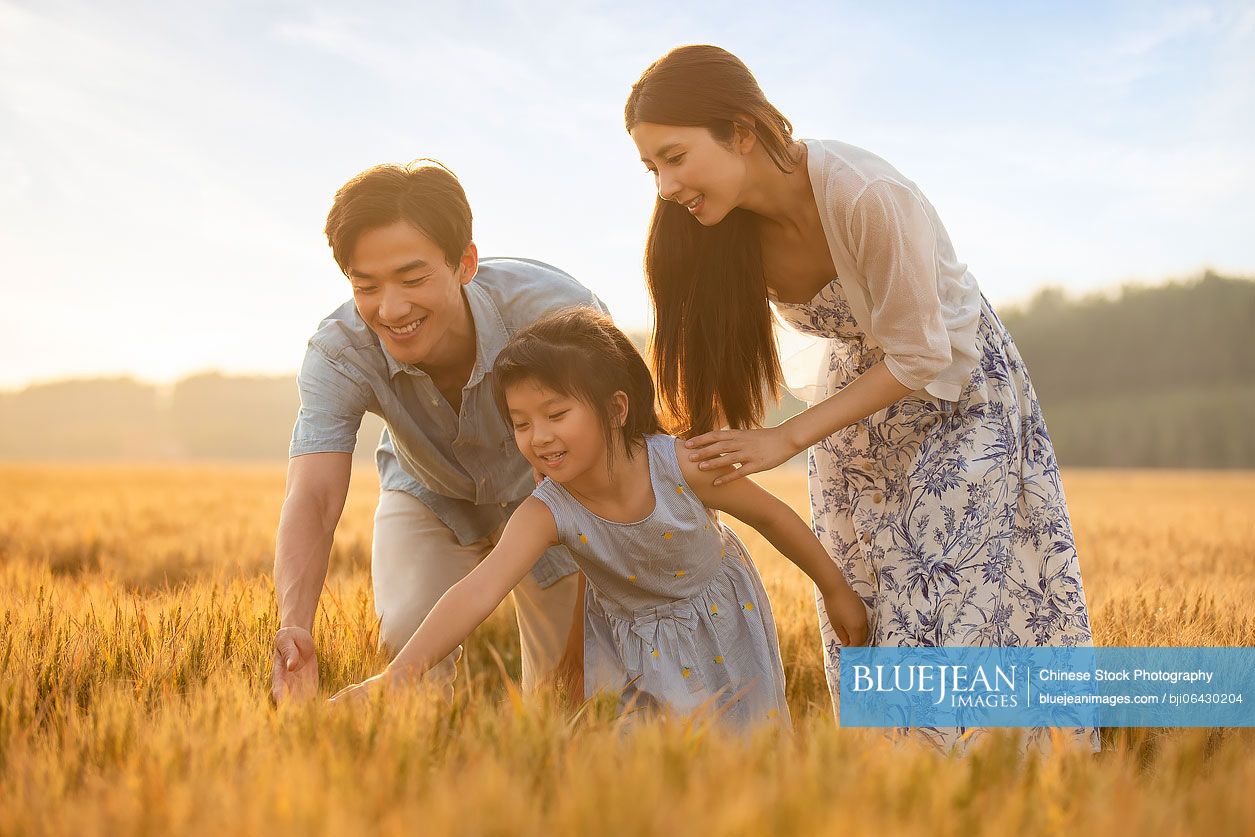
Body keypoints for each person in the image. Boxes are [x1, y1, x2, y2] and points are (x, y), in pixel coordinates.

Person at [625, 44, 1099, 755]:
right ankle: (893, 792)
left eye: (673, 156)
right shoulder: (718, 230)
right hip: (857, 414)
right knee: (867, 610)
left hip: (956, 401)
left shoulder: (864, 195)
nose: (664, 185)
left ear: (743, 132)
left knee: (946, 606)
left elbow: (921, 353)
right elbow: (701, 356)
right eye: (650, 168)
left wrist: (785, 438)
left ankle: (1000, 784)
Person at [328, 307, 869, 730]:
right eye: (520, 423)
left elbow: (774, 518)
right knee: (635, 778)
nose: (538, 437)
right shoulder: (547, 510)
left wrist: (835, 589)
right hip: (624, 651)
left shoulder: (679, 466)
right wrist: (399, 675)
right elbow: (478, 590)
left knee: (737, 767)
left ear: (615, 409)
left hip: (720, 630)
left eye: (556, 414)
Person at [271, 159, 606, 706]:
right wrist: (295, 627)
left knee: (573, 697)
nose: (392, 308)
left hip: (557, 498)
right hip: (430, 491)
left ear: (465, 263)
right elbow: (313, 496)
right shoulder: (338, 352)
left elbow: (611, 476)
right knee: (406, 647)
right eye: (366, 285)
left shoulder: (557, 314)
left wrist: (580, 649)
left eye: (413, 278)